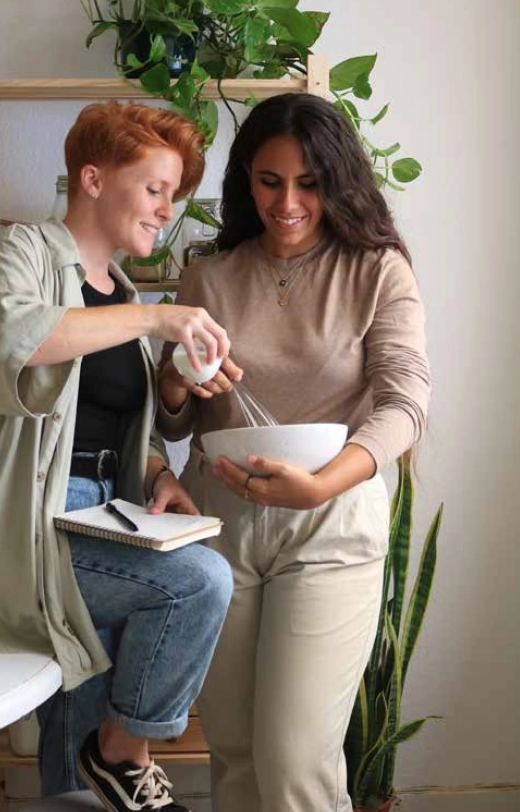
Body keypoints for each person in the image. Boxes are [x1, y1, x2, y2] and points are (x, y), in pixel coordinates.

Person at [0, 102, 234, 812]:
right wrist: (160, 316)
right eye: (155, 188)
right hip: (28, 526)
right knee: (198, 583)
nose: (166, 210)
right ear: (93, 179)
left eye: (173, 195)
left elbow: (120, 422)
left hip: (106, 517)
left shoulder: (123, 293)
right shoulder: (23, 253)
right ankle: (125, 749)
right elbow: (18, 342)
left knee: (78, 726)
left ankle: (96, 762)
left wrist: (159, 474)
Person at [156, 92, 431, 812]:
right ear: (246, 178)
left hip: (331, 521)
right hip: (219, 527)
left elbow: (405, 406)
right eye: (271, 180)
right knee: (238, 753)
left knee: (295, 762)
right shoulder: (208, 276)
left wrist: (320, 485)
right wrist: (180, 378)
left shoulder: (377, 272)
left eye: (309, 183)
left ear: (337, 183)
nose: (288, 202)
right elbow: (174, 420)